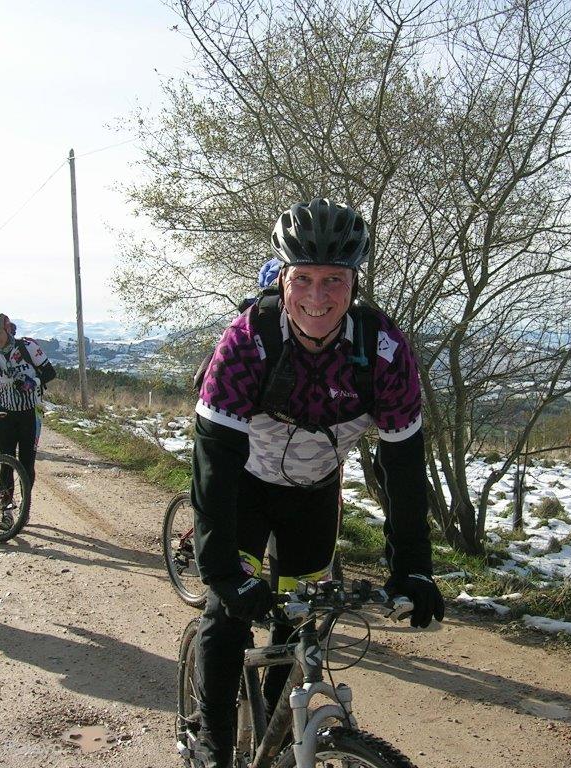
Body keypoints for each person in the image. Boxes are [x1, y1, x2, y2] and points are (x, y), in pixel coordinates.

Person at [188, 198, 444, 768]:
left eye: (334, 280)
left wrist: (413, 566)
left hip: (314, 495)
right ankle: (213, 742)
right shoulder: (249, 341)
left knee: (298, 624)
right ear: (282, 278)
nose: (317, 296)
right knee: (227, 618)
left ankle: (275, 740)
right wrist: (222, 570)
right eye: (303, 278)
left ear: (355, 284)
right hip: (244, 488)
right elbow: (214, 461)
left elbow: (404, 468)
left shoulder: (383, 352)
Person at [0, 313, 54, 524]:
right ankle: (6, 511)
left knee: (26, 464)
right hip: (5, 415)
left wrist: (33, 382)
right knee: (5, 463)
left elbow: (50, 372)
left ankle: (25, 506)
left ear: (8, 330)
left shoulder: (27, 348)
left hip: (30, 414)